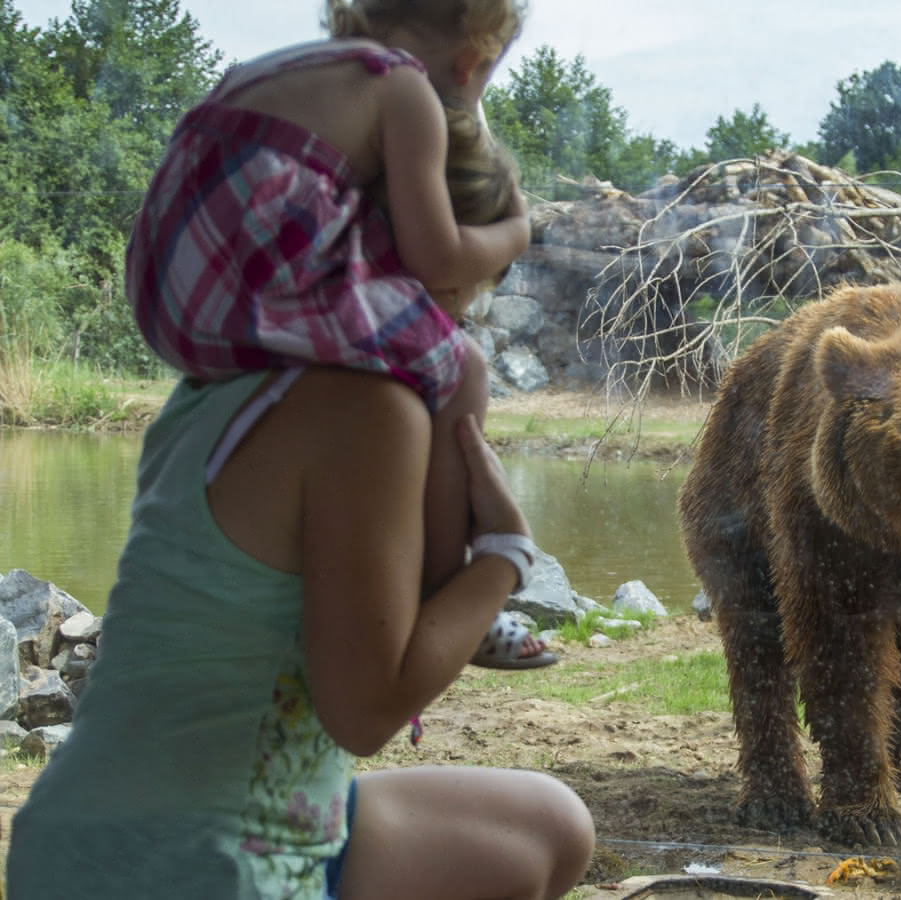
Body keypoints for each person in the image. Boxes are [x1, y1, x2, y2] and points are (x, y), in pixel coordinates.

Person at [6, 2, 595, 898]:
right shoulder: (369, 412)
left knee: (551, 825)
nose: (462, 332)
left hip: (83, 839)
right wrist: (503, 560)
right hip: (192, 868)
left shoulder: (215, 390)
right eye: (475, 293)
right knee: (536, 845)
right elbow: (365, 711)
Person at [125, 0, 553, 669]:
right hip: (251, 289)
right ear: (472, 62)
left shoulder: (278, 68)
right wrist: (516, 233)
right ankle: (438, 592)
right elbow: (433, 257)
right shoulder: (404, 86)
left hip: (168, 292)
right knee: (461, 366)